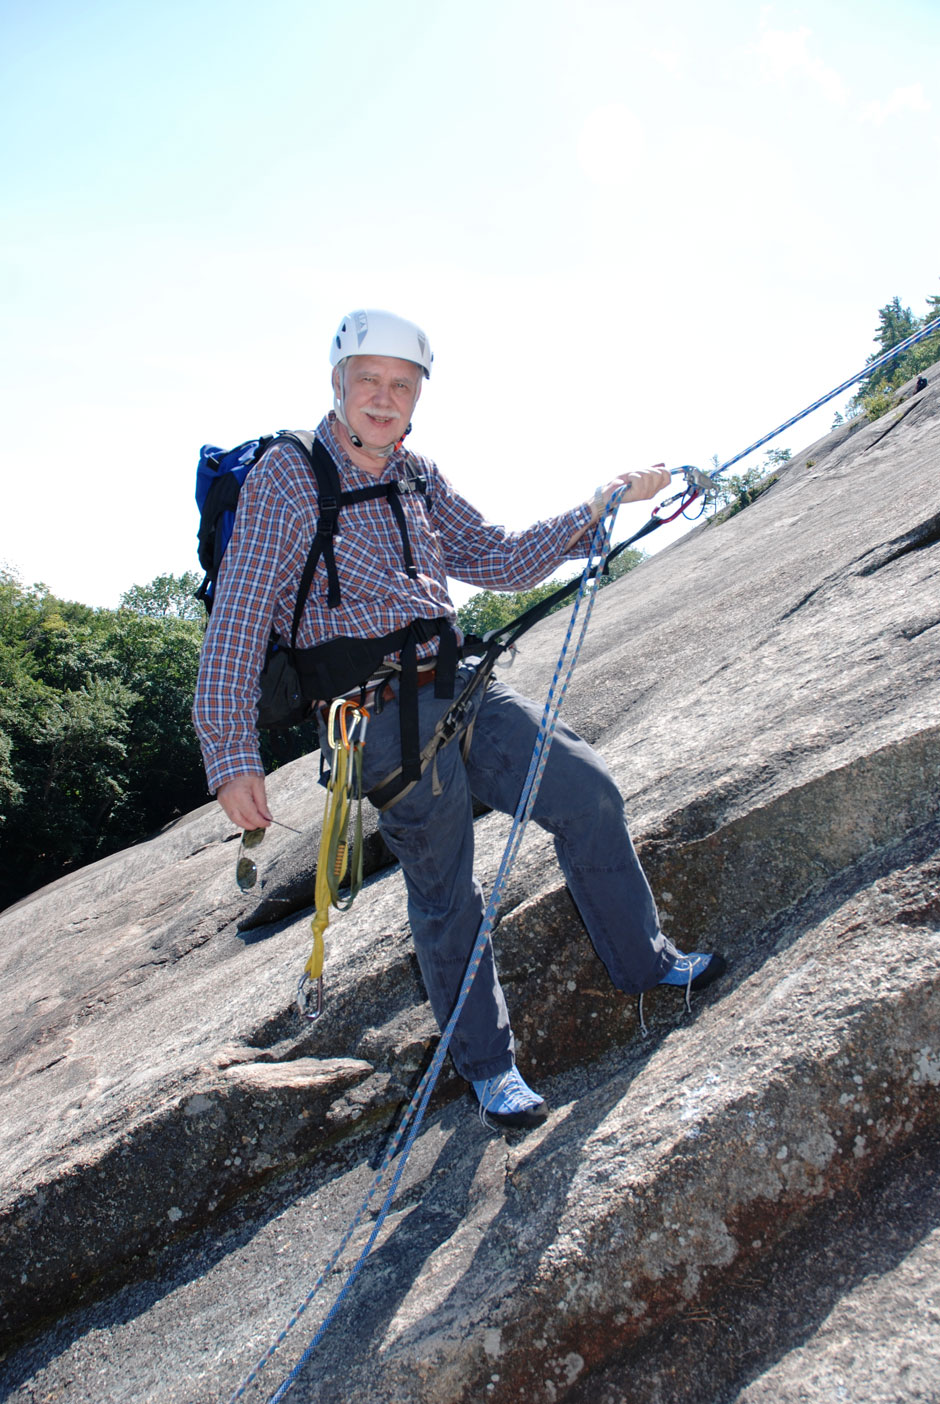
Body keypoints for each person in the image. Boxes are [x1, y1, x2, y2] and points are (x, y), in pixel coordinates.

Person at [193, 308, 726, 1131]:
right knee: (446, 891)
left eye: (401, 385)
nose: (384, 397)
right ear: (337, 385)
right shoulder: (287, 477)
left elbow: (501, 556)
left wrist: (600, 504)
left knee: (586, 792)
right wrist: (231, 756)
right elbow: (238, 620)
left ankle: (646, 964)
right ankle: (490, 1069)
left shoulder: (417, 475)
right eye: (368, 380)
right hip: (376, 718)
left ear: (418, 397)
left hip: (461, 682)